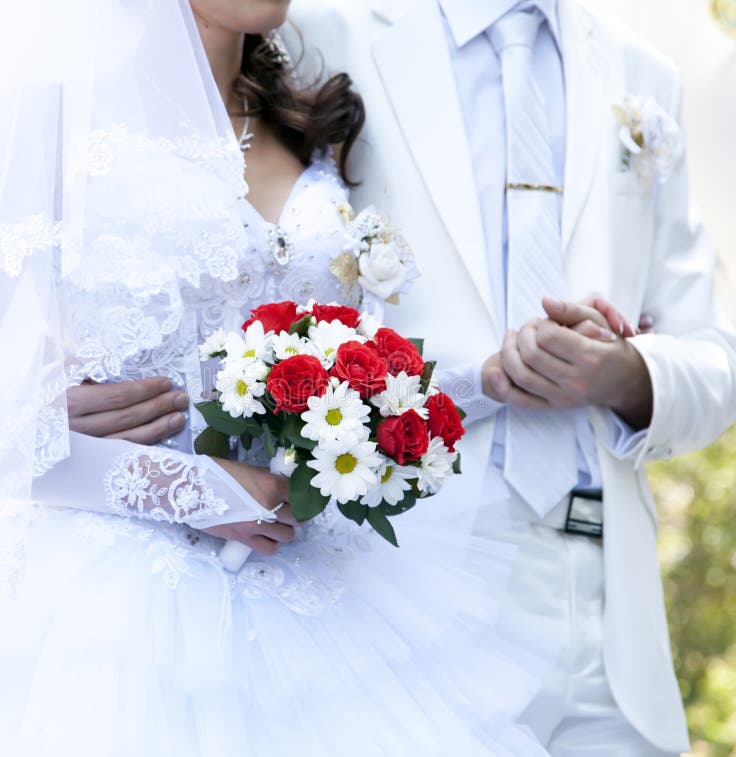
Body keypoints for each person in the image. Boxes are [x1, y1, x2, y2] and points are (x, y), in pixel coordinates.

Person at [0, 1, 553, 755]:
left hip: (314, 594)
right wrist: (181, 485)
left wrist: (494, 375)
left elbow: (344, 381)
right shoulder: (52, 118)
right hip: (118, 617)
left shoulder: (306, 124)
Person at [283, 0, 736, 755]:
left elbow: (717, 360)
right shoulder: (329, 36)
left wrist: (626, 373)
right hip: (402, 594)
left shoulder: (640, 72)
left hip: (609, 614)